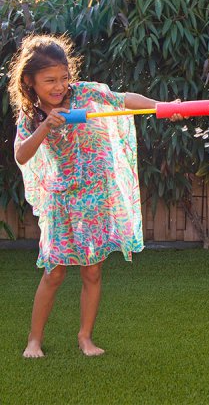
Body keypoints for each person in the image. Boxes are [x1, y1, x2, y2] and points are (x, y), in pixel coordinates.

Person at [8, 34, 182, 358]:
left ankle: (85, 337)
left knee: (92, 271)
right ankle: (34, 340)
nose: (59, 86)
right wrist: (45, 127)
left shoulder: (85, 93)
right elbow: (21, 154)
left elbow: (124, 99)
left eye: (63, 77)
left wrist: (161, 107)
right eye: (49, 81)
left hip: (95, 197)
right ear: (30, 82)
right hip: (63, 202)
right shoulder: (32, 117)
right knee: (55, 271)